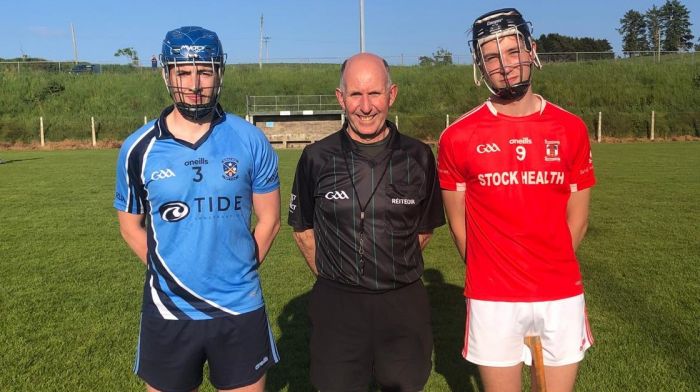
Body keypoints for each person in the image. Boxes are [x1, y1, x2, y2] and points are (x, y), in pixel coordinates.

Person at [114, 26, 280, 392]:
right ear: (167, 74)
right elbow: (130, 226)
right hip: (168, 309)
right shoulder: (137, 148)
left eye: (204, 71)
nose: (194, 83)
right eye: (183, 72)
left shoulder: (249, 139)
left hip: (240, 307)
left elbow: (270, 219)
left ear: (219, 73)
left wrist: (239, 272)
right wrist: (169, 274)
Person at [438, 8, 596, 392]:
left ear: (531, 51)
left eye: (511, 52)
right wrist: (497, 270)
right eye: (491, 57)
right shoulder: (457, 137)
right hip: (493, 298)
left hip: (560, 293)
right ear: (479, 65)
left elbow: (579, 218)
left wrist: (546, 266)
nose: (505, 66)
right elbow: (459, 226)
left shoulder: (571, 128)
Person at [288, 52, 445, 392]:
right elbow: (303, 231)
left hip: (402, 303)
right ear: (340, 98)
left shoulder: (419, 156)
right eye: (356, 95)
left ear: (392, 95)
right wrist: (342, 277)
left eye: (374, 94)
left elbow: (424, 230)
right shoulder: (315, 158)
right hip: (338, 305)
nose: (366, 106)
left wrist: (386, 269)